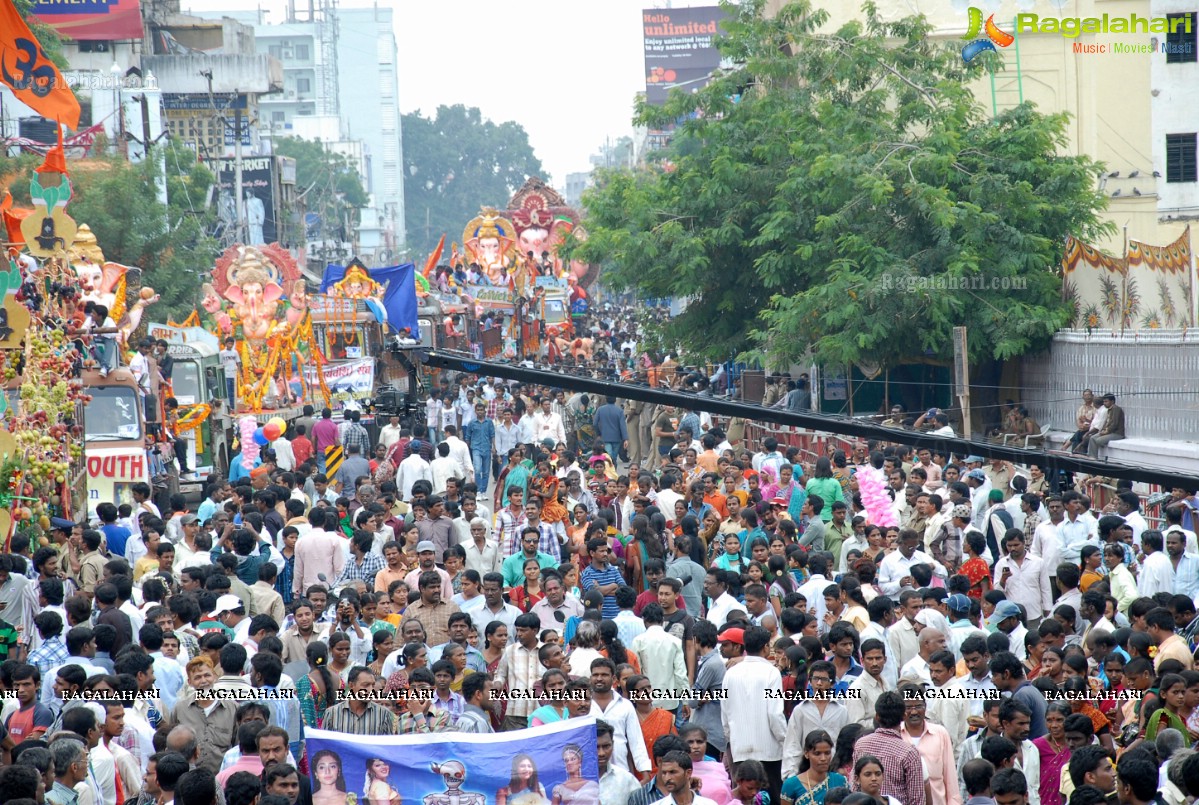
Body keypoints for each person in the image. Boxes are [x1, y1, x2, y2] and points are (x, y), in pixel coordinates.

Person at [781, 728, 846, 805]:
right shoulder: (791, 785)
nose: (823, 758)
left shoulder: (840, 781)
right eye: (817, 753)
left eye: (827, 753)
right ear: (806, 754)